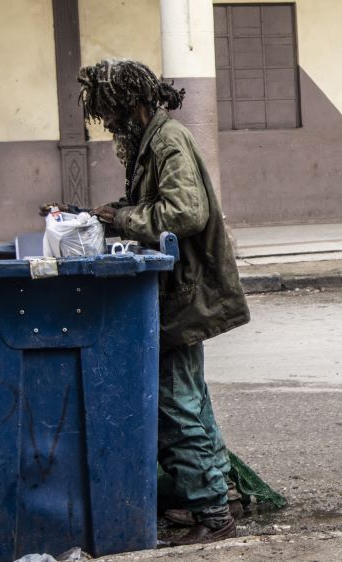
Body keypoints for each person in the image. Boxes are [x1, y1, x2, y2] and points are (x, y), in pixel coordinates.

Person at [76, 59, 250, 545]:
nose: (107, 122)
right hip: (180, 289)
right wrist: (119, 212)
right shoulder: (152, 141)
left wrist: (125, 217)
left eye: (109, 112)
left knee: (176, 404)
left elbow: (185, 213)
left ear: (132, 104)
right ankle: (220, 495)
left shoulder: (167, 140)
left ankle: (213, 516)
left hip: (185, 291)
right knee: (190, 397)